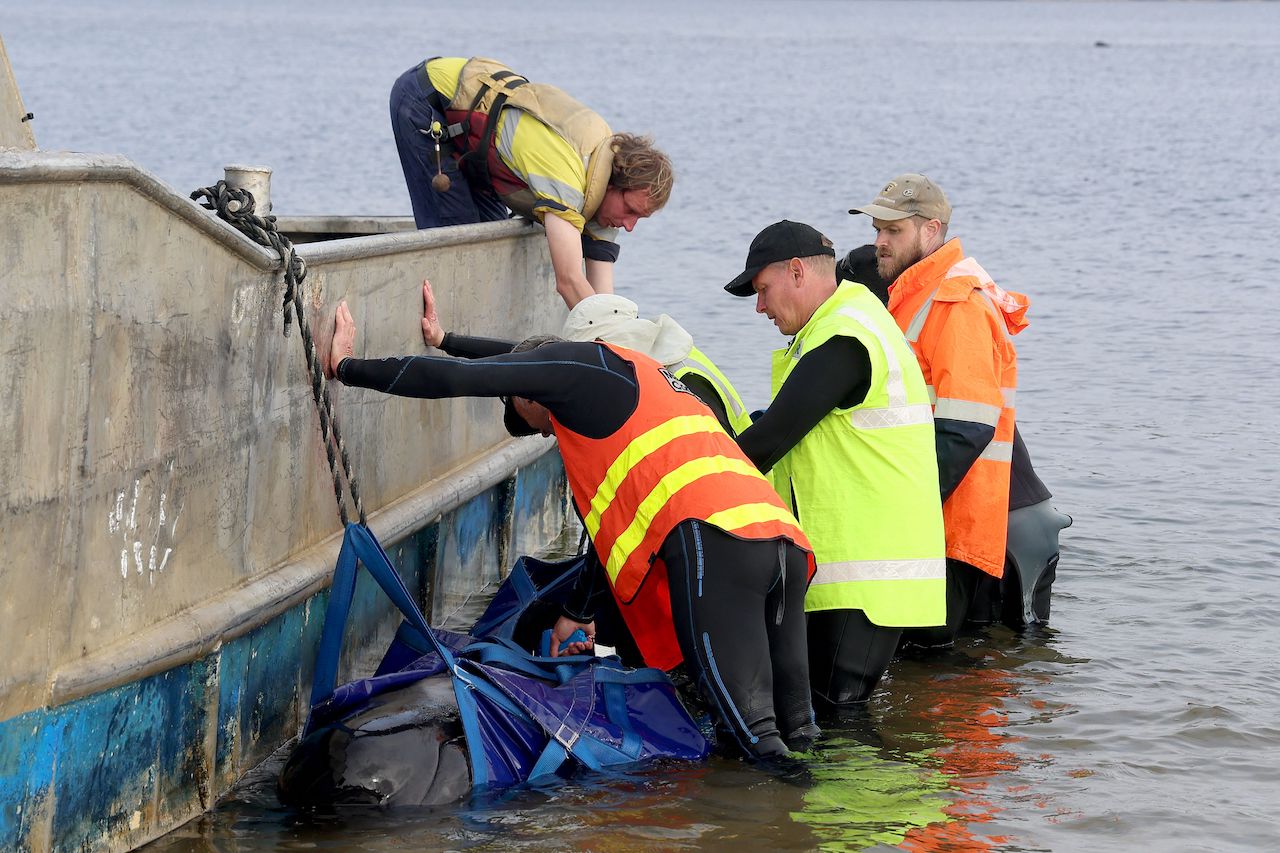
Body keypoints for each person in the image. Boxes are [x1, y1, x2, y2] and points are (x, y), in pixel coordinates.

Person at [327, 301, 818, 761]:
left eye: (525, 413)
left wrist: (348, 368)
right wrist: (578, 611)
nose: (545, 433)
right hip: (780, 539)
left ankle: (776, 823)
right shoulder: (638, 378)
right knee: (801, 728)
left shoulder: (574, 374)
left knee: (756, 740)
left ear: (530, 388)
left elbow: (460, 378)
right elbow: (504, 357)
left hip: (716, 545)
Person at [723, 220, 947, 713]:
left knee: (836, 725)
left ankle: (897, 793)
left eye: (762, 290)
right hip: (857, 577)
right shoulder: (843, 325)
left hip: (864, 583)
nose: (759, 307)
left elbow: (767, 442)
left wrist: (681, 480)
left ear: (797, 272)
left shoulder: (846, 339)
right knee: (826, 724)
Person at [849, 173, 1041, 647]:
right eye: (877, 230)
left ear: (931, 231)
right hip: (940, 519)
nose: (879, 242)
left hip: (954, 524)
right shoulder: (913, 296)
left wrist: (903, 509)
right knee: (937, 678)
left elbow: (968, 426)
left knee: (934, 669)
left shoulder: (957, 305)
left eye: (893, 231)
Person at [390, 56, 674, 308]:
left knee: (488, 243)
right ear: (614, 183)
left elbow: (603, 299)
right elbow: (570, 282)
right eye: (631, 211)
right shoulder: (567, 175)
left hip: (479, 145)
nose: (629, 226)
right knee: (457, 243)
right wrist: (609, 345)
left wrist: (619, 339)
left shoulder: (606, 191)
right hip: (429, 98)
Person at [416, 279, 751, 436]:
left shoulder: (682, 382)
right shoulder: (646, 357)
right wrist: (446, 340)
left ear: (605, 343)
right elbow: (521, 354)